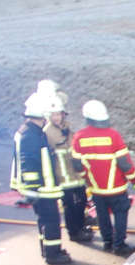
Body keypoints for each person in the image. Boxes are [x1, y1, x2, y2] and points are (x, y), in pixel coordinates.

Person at [72, 100, 135, 257]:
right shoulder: (112, 135)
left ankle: (107, 241)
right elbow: (124, 163)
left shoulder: (79, 137)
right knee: (121, 214)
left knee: (102, 215)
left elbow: (76, 165)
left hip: (96, 188)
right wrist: (134, 179)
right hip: (117, 187)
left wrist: (87, 179)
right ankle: (119, 244)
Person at [10, 93, 70, 265]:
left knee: (44, 220)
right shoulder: (32, 135)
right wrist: (34, 187)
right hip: (43, 189)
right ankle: (53, 254)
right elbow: (29, 161)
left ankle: (47, 250)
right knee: (51, 220)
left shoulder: (29, 131)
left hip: (40, 188)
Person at [43, 94, 93, 243]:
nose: (57, 117)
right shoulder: (47, 133)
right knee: (70, 206)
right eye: (54, 115)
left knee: (82, 201)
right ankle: (74, 232)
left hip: (76, 175)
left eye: (59, 114)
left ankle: (82, 227)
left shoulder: (67, 128)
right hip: (63, 176)